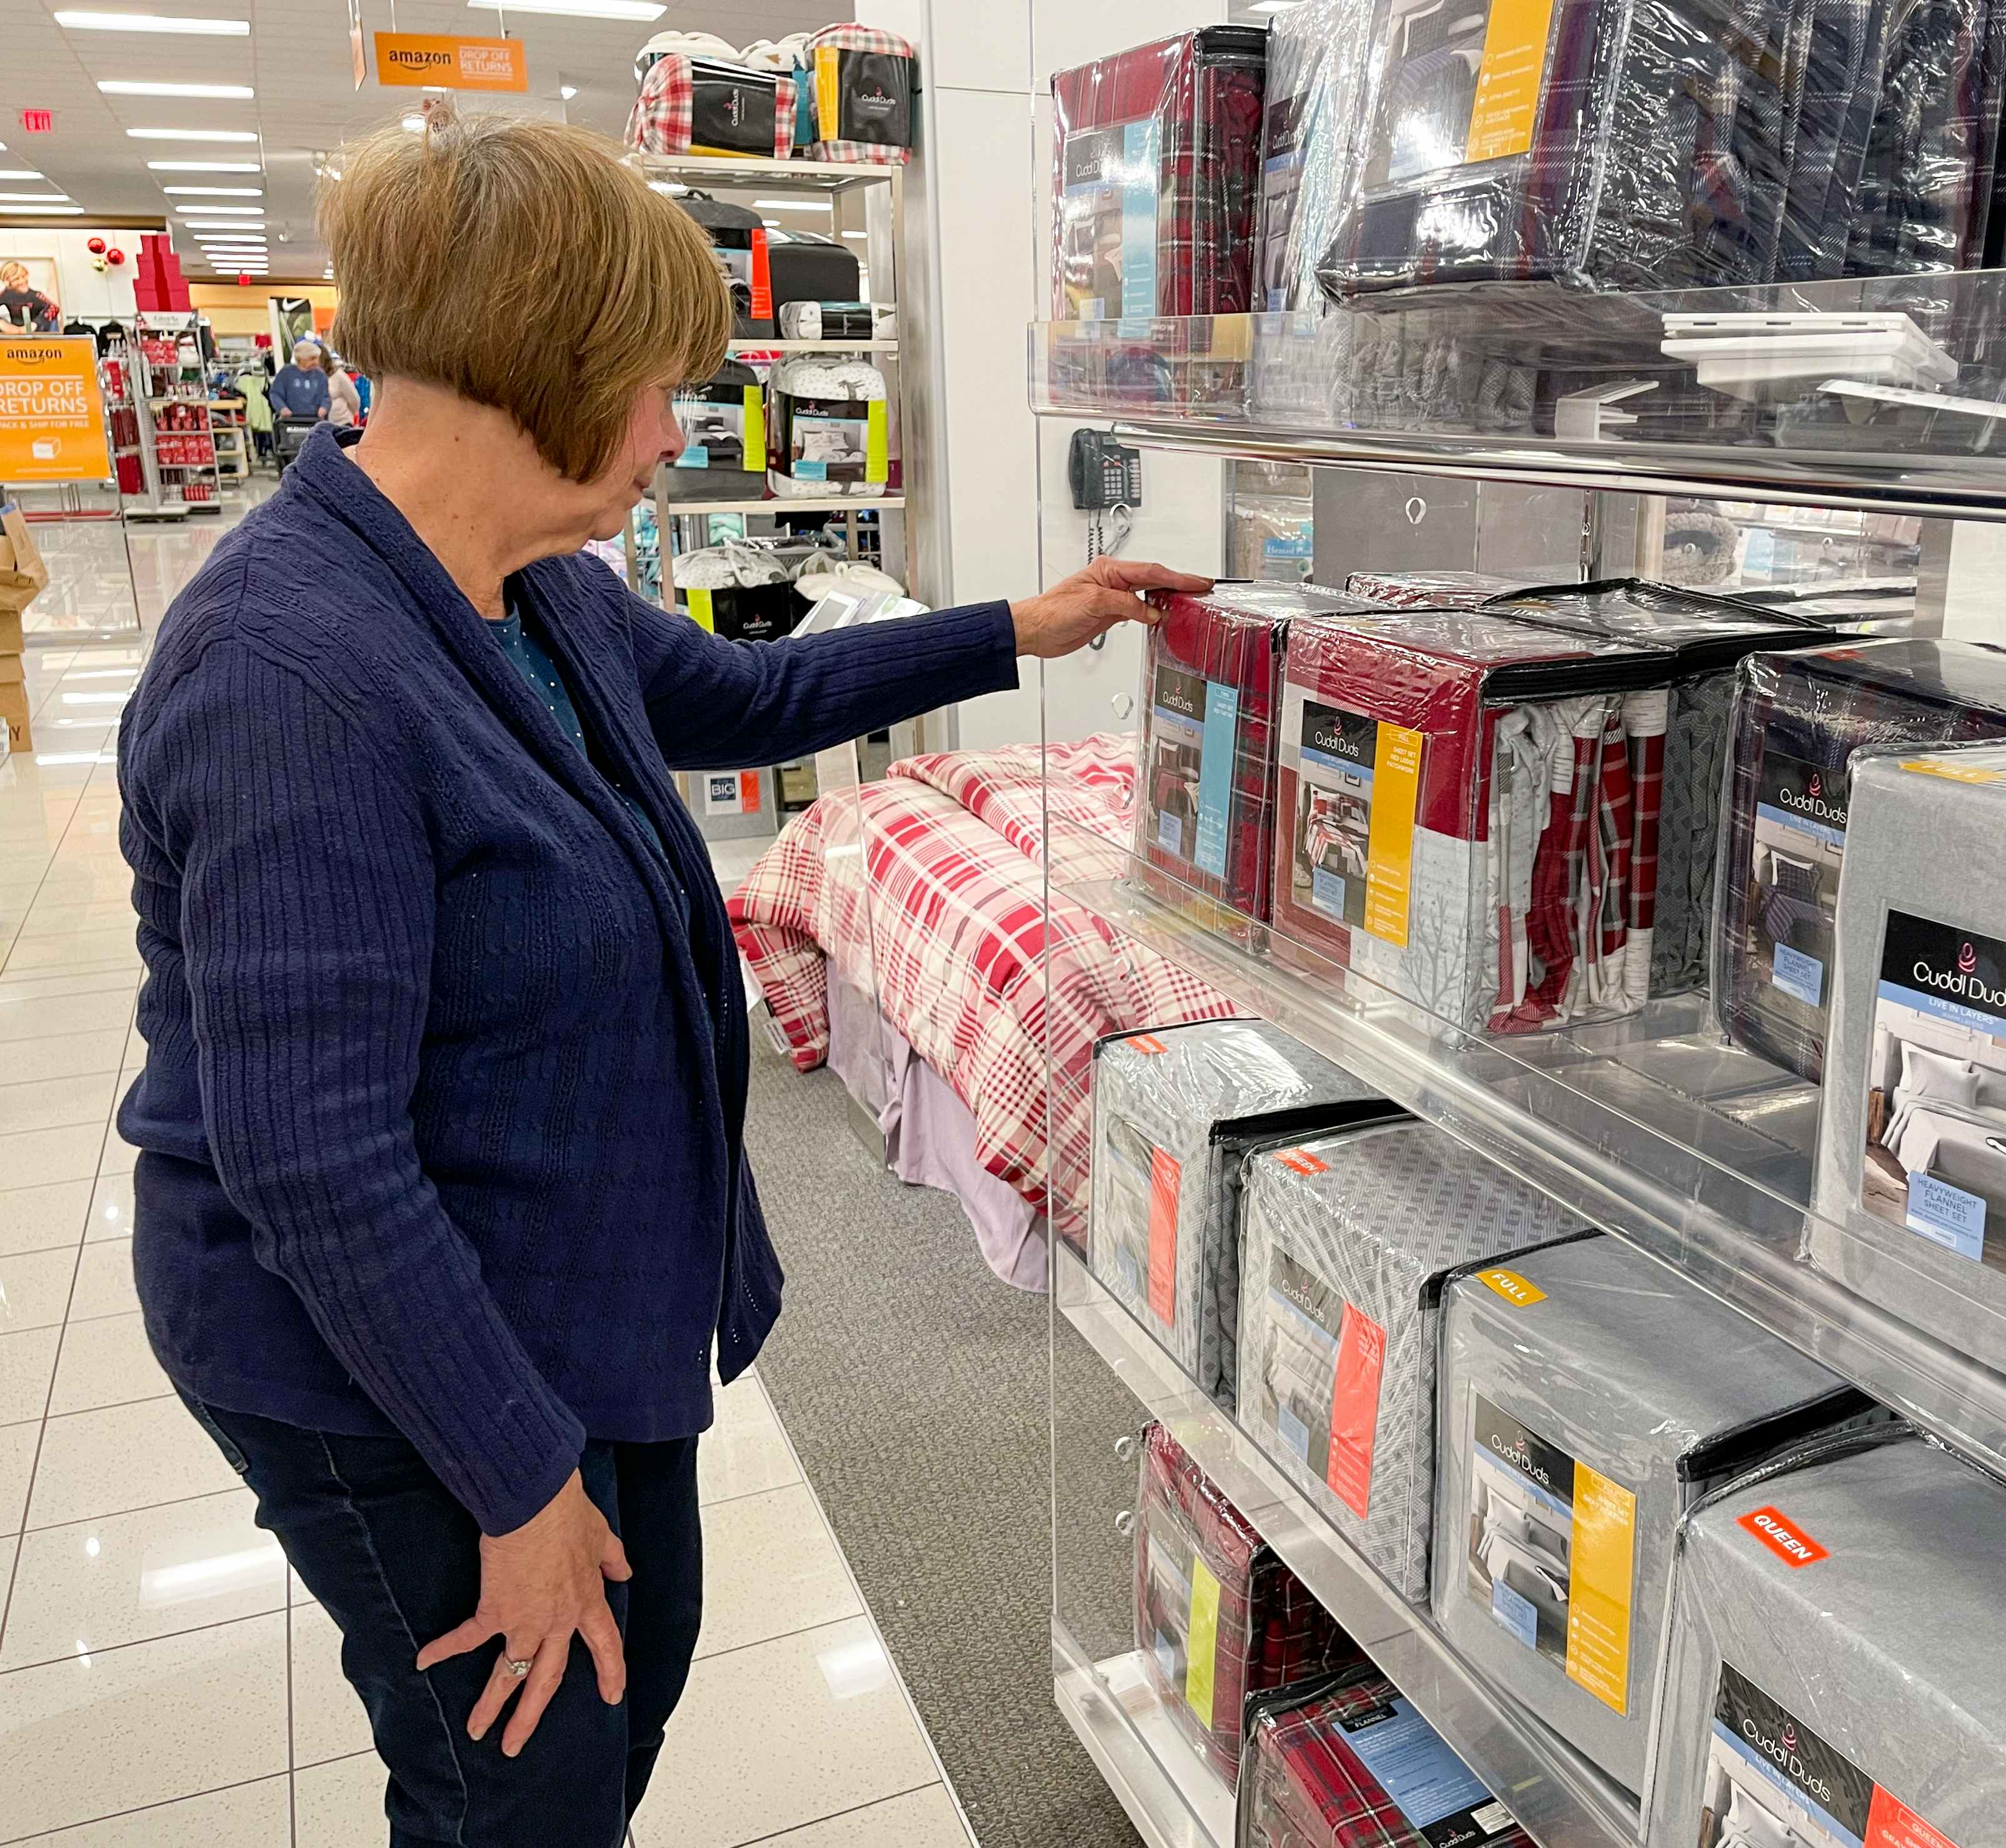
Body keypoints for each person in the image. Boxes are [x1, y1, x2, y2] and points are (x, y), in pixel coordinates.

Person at [116, 105, 1206, 1847]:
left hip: (559, 1282)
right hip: (371, 1358)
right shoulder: (285, 674)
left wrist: (1023, 626)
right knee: (521, 1789)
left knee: (640, 1666)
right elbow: (313, 1161)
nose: (676, 429)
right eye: (653, 380)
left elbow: (741, 700)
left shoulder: (525, 581)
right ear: (532, 367)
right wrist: (515, 1476)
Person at [269, 336, 330, 419]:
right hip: (291, 420)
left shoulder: (321, 375)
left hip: (314, 420)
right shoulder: (286, 373)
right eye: (312, 359)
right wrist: (282, 408)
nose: (316, 362)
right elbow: (275, 394)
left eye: (317, 358)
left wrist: (324, 408)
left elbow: (326, 396)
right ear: (301, 359)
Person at [0, 259, 58, 331]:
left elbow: (54, 307)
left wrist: (36, 323)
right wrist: (2, 323)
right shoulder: (5, 295)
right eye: (16, 279)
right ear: (7, 282)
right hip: (16, 335)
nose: (22, 281)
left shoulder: (36, 295)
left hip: (37, 334)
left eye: (24, 276)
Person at [321, 346, 359, 428]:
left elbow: (354, 399)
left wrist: (348, 415)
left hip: (341, 424)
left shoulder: (338, 375)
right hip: (318, 425)